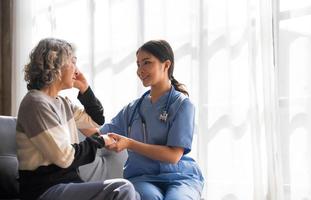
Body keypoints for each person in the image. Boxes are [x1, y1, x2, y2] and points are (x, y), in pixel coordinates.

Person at [16, 38, 139, 200]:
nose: (77, 70)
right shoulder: (35, 103)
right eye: (72, 62)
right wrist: (101, 141)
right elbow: (65, 157)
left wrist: (85, 88)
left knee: (134, 194)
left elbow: (96, 122)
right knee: (122, 189)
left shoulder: (63, 103)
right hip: (44, 190)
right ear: (55, 65)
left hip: (69, 185)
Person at [100, 40, 204, 200]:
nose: (140, 70)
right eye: (138, 64)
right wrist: (83, 93)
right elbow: (99, 132)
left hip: (181, 177)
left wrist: (130, 143)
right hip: (142, 177)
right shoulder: (132, 109)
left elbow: (174, 156)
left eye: (147, 63)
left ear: (166, 65)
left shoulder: (183, 105)